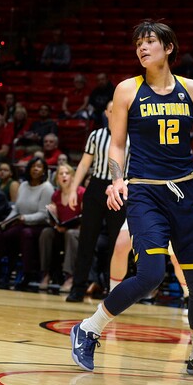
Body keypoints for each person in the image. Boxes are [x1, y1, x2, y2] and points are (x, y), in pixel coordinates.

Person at [70, 20, 193, 380]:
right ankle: (88, 329)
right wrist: (117, 179)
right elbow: (118, 144)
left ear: (168, 48)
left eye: (149, 41)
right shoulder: (126, 90)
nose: (142, 48)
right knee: (150, 274)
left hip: (187, 195)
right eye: (138, 43)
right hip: (145, 193)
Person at [65, 100, 129, 303]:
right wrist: (74, 189)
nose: (115, 113)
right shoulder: (96, 135)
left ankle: (115, 291)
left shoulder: (132, 137)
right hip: (96, 187)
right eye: (112, 110)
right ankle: (78, 288)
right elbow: (84, 164)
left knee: (116, 243)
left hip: (120, 188)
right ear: (107, 113)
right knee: (86, 240)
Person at [0, 157, 54, 289]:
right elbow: (16, 209)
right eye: (33, 166)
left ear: (44, 171)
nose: (35, 169)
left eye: (39, 167)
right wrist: (5, 222)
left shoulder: (47, 188)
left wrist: (25, 218)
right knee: (0, 231)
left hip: (39, 226)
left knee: (25, 234)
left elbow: (43, 214)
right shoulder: (23, 185)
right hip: (21, 222)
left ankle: (27, 274)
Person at [39, 163, 83, 292]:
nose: (64, 176)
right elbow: (54, 220)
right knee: (46, 232)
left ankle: (70, 276)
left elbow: (86, 218)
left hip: (77, 231)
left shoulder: (81, 192)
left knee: (70, 234)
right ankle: (45, 274)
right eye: (61, 173)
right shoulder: (56, 195)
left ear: (73, 177)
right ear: (57, 178)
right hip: (61, 230)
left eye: (67, 173)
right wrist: (54, 220)